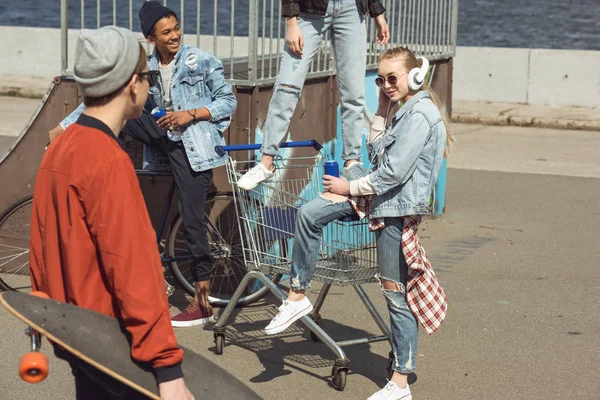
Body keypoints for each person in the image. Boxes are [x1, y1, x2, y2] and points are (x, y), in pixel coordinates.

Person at [263, 47, 452, 400]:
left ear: (414, 76)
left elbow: (393, 174)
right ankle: (297, 294)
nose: (385, 84)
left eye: (391, 78)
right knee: (310, 214)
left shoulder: (421, 115)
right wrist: (381, 109)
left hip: (394, 210)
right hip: (380, 200)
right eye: (380, 79)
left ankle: (399, 383)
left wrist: (349, 188)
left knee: (396, 297)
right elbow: (379, 153)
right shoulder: (401, 109)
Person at [48, 1, 237, 327]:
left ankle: (203, 303)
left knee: (192, 223)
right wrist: (66, 126)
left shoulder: (201, 61)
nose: (175, 35)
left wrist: (189, 115)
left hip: (194, 147)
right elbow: (110, 97)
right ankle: (96, 157)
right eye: (167, 32)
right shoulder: (146, 65)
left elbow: (227, 101)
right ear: (151, 38)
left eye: (176, 28)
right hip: (164, 140)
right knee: (115, 109)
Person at [30, 26, 194, 399]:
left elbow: (41, 240)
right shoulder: (108, 160)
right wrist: (168, 369)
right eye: (148, 76)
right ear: (130, 85)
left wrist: (41, 307)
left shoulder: (63, 145)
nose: (149, 84)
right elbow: (134, 268)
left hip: (75, 332)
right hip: (116, 343)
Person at [236, 0, 390, 190]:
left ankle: (352, 161)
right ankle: (266, 162)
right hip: (309, 12)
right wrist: (291, 21)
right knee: (287, 88)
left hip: (352, 10)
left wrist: (377, 13)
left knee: (354, 93)